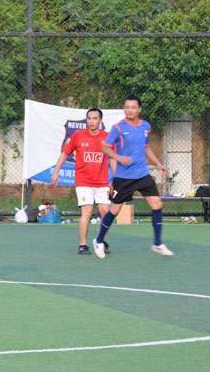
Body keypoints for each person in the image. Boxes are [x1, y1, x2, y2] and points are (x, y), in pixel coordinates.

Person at [91, 95, 174, 258]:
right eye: (127, 107)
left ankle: (157, 243)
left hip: (142, 174)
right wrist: (119, 157)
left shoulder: (145, 126)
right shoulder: (118, 127)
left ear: (139, 109)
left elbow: (146, 147)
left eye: (133, 107)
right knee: (114, 210)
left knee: (157, 204)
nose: (129, 110)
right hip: (124, 177)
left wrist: (158, 163)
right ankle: (99, 240)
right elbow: (105, 148)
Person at [51, 108, 116, 254]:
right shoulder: (77, 136)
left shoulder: (107, 137)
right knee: (87, 211)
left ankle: (101, 241)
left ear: (100, 121)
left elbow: (112, 158)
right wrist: (56, 172)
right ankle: (83, 245)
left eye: (95, 118)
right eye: (89, 118)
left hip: (102, 182)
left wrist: (117, 179)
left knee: (106, 213)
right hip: (83, 181)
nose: (91, 121)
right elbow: (64, 153)